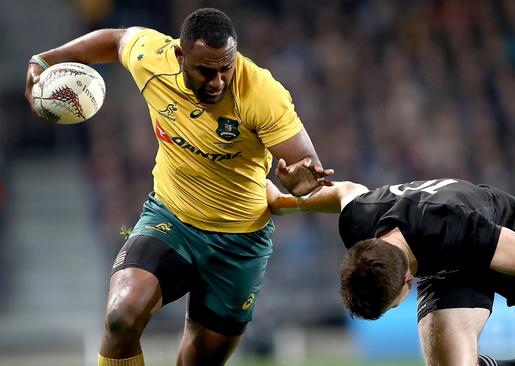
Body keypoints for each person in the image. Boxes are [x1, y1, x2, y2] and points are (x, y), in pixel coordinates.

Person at [25, 8, 334, 366]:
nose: (218, 81)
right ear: (180, 55)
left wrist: (298, 181)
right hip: (171, 219)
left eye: (225, 68)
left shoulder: (262, 93)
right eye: (206, 70)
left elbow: (303, 163)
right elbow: (115, 39)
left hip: (239, 242)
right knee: (120, 317)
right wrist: (43, 60)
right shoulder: (152, 58)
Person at [266, 178, 515, 366]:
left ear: (408, 280)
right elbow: (344, 190)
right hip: (441, 258)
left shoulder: (451, 226)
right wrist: (283, 201)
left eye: (394, 304)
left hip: (496, 229)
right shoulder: (358, 222)